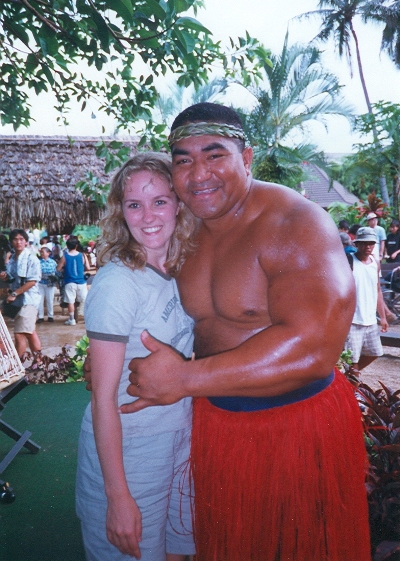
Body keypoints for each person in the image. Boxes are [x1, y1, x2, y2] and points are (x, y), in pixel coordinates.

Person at [102, 103, 371, 560]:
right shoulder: (184, 230)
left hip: (295, 424)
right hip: (214, 424)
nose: (198, 173)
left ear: (246, 158)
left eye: (214, 154)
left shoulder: (295, 221)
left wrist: (185, 379)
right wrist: (119, 362)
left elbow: (314, 347)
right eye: (183, 160)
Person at [76, 152, 196, 561]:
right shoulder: (118, 283)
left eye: (159, 200)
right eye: (134, 204)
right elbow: (102, 399)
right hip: (130, 450)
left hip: (179, 437)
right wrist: (118, 496)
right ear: (120, 211)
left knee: (178, 552)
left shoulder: (183, 270)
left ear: (178, 204)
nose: (148, 216)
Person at [344, 227, 388, 374]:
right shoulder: (349, 262)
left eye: (371, 243)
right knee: (352, 360)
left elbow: (377, 290)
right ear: (357, 244)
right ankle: (352, 380)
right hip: (353, 320)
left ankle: (350, 375)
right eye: (364, 243)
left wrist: (382, 317)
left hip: (370, 320)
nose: (368, 247)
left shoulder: (375, 263)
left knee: (375, 352)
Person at [0, 229, 41, 356]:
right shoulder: (12, 259)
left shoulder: (31, 259)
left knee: (19, 334)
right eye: (15, 239)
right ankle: (39, 361)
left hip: (29, 300)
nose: (18, 242)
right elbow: (13, 278)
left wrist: (14, 294)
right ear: (11, 242)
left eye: (21, 239)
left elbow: (32, 281)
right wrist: (6, 277)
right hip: (18, 301)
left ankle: (18, 367)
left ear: (26, 242)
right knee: (30, 332)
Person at [56, 236, 90, 325]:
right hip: (81, 281)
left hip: (69, 282)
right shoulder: (82, 255)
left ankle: (72, 320)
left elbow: (58, 269)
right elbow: (88, 267)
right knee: (84, 300)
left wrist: (65, 268)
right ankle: (86, 318)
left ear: (67, 246)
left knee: (70, 301)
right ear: (76, 245)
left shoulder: (65, 257)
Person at [37, 246, 58, 323]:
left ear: (48, 253)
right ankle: (40, 316)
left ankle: (50, 316)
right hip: (40, 283)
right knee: (40, 300)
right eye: (41, 252)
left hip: (50, 283)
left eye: (43, 252)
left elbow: (56, 272)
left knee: (50, 300)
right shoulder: (38, 262)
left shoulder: (53, 262)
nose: (42, 253)